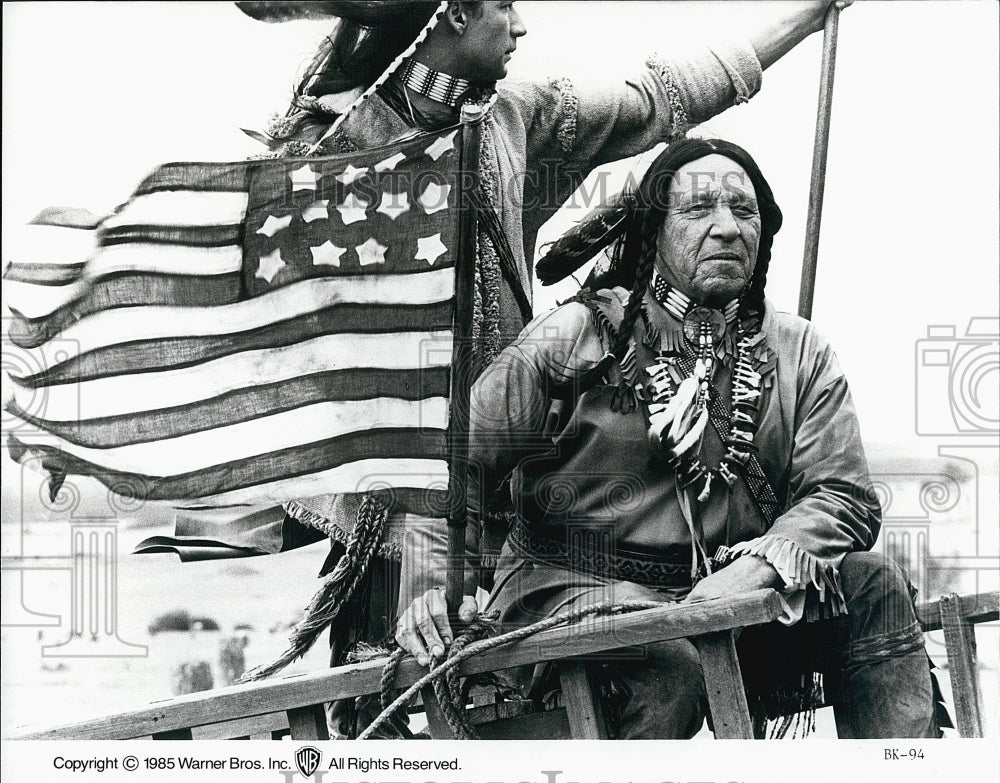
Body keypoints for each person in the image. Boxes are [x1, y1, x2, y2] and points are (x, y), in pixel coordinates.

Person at [239, 0, 857, 735]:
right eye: (505, 6)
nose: (521, 27)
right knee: (393, 701)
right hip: (391, 497)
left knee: (588, 680)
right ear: (455, 15)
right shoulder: (329, 150)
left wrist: (807, 15)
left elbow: (664, 99)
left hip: (510, 482)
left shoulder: (516, 119)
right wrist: (430, 572)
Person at [396, 137, 944, 738]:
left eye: (745, 209)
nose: (727, 228)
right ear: (653, 232)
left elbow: (841, 496)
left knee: (877, 588)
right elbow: (451, 470)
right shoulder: (576, 335)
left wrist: (760, 567)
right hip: (574, 589)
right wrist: (429, 585)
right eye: (698, 210)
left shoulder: (799, 352)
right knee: (663, 655)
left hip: (726, 590)